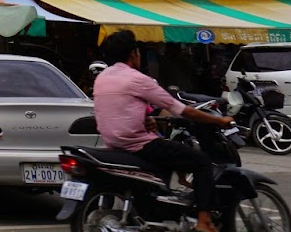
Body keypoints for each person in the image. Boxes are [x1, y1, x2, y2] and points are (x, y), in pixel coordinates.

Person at [94, 30, 234, 232]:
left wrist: (147, 120)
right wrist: (218, 121)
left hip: (113, 143)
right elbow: (180, 109)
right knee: (202, 162)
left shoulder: (102, 78)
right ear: (134, 53)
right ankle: (204, 222)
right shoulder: (138, 79)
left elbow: (119, 109)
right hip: (138, 144)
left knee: (171, 154)